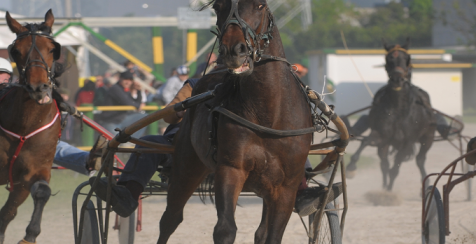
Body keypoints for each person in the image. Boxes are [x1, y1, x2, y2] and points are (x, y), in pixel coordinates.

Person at [91, 78, 340, 218]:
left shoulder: (255, 88)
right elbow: (169, 117)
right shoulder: (196, 83)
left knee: (289, 143)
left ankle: (302, 192)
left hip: (240, 155)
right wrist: (182, 105)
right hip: (187, 147)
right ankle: (128, 194)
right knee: (151, 144)